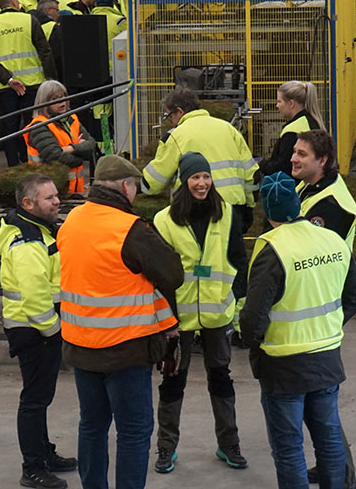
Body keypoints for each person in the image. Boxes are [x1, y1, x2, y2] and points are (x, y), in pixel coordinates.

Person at [57, 155, 184, 489]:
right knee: (133, 431)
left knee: (92, 426)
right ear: (127, 187)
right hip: (125, 350)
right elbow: (172, 273)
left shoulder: (71, 221)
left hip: (81, 346)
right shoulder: (130, 229)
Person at [239, 172, 356, 489]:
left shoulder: (272, 250)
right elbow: (355, 296)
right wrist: (330, 325)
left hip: (283, 367)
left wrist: (253, 343)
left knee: (289, 448)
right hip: (327, 361)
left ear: (267, 213)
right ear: (299, 205)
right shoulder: (332, 240)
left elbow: (253, 316)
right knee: (329, 440)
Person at [150, 153, 248, 475]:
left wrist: (237, 300)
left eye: (206, 177)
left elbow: (238, 259)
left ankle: (228, 443)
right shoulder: (164, 220)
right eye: (195, 177)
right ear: (184, 180)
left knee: (220, 378)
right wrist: (165, 320)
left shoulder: (228, 214)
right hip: (179, 317)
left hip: (217, 314)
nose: (202, 183)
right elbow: (158, 272)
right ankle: (166, 448)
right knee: (173, 380)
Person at [290, 130, 356, 489]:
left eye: (302, 154)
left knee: (323, 409)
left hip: (320, 313)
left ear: (323, 161)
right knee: (317, 405)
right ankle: (331, 466)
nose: (293, 159)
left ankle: (344, 478)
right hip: (315, 309)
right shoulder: (312, 188)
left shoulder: (333, 206)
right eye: (294, 152)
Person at [0, 174, 77, 489]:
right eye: (49, 198)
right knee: (34, 400)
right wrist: (55, 331)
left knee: (41, 398)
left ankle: (44, 454)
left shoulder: (40, 230)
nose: (57, 201)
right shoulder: (28, 242)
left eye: (56, 196)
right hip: (33, 331)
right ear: (28, 204)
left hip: (37, 329)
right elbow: (35, 297)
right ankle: (32, 467)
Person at [142, 87, 259, 231]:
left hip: (194, 209)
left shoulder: (176, 136)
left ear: (179, 111)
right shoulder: (228, 129)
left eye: (169, 116)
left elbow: (155, 181)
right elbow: (251, 173)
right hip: (233, 207)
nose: (171, 121)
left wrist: (138, 187)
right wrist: (248, 206)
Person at [0, 0, 57, 168]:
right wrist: (52, 79)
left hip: (7, 87)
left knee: (10, 127)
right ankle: (31, 161)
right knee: (33, 125)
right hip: (33, 83)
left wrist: (8, 79)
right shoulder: (29, 20)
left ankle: (13, 165)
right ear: (14, 2)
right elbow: (45, 52)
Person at [24, 80, 97, 193]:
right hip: (48, 192)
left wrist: (70, 148)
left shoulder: (71, 118)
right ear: (44, 102)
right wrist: (80, 156)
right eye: (55, 100)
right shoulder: (39, 126)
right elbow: (55, 156)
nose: (62, 103)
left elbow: (91, 145)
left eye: (62, 96)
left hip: (75, 190)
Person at [260, 81, 326, 177]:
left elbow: (282, 168)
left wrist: (261, 163)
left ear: (291, 103)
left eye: (279, 101)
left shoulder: (292, 131)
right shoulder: (312, 121)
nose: (277, 105)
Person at [30, 0, 64, 80]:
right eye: (57, 10)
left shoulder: (29, 24)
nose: (58, 14)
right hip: (48, 76)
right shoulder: (53, 28)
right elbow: (58, 56)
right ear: (49, 10)